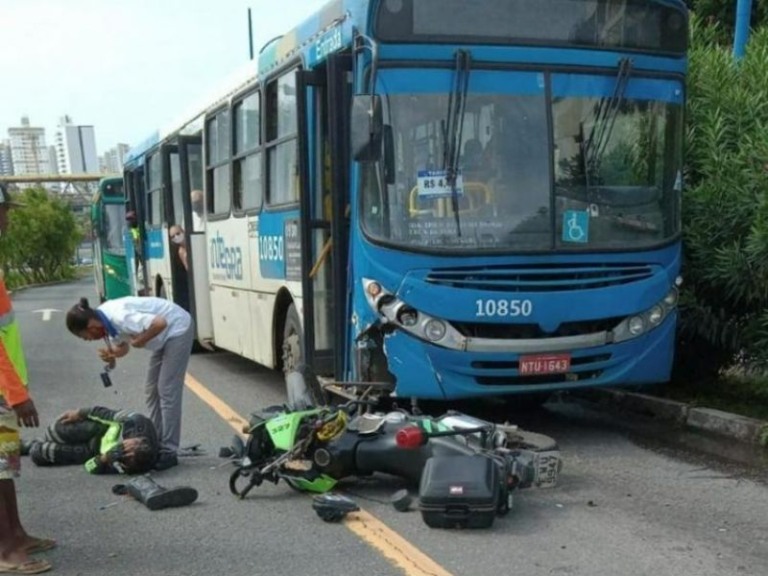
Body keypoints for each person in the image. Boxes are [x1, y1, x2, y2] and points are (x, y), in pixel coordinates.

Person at [65, 296, 194, 471]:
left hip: (177, 328)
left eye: (84, 336)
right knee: (151, 390)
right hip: (163, 337)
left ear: (91, 326)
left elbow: (159, 322)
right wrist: (112, 355)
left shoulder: (119, 316)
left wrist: (140, 340)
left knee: (167, 389)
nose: (88, 340)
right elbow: (123, 347)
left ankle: (169, 450)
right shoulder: (104, 321)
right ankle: (155, 440)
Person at [0, 183, 54, 574]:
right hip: (4, 388)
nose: (7, 218)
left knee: (6, 464)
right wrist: (17, 393)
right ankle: (6, 552)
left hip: (3, 388)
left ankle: (16, 534)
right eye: (4, 210)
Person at [25, 406, 159, 475]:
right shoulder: (136, 421)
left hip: (91, 452)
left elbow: (89, 466)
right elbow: (107, 413)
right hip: (97, 430)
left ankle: (32, 444)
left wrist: (105, 458)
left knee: (38, 454)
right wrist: (80, 412)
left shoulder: (126, 465)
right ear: (137, 440)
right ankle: (32, 442)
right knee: (55, 429)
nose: (122, 448)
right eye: (126, 446)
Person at [126, 211, 147, 296]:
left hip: (143, 255)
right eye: (128, 220)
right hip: (138, 255)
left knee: (141, 277)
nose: (130, 221)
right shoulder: (131, 229)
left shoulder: (141, 227)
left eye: (132, 219)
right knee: (139, 277)